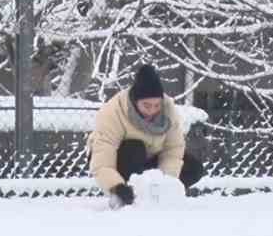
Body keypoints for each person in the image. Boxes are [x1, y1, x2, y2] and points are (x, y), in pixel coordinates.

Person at [87, 63, 206, 208]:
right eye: (146, 105)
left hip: (149, 157)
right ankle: (126, 197)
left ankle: (156, 197)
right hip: (118, 158)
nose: (152, 111)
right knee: (135, 147)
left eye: (156, 105)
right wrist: (116, 186)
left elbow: (173, 151)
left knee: (193, 168)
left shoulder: (169, 111)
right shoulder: (114, 111)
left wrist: (164, 182)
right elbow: (102, 160)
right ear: (135, 101)